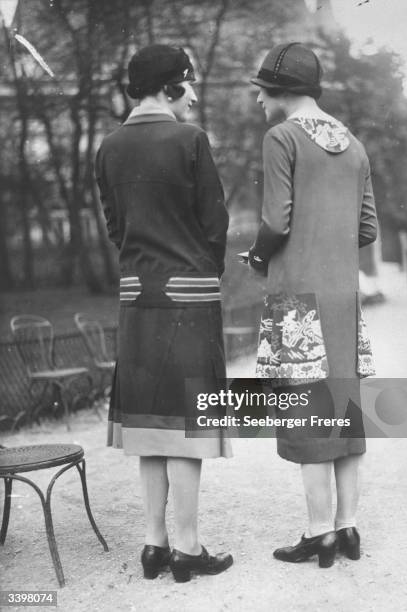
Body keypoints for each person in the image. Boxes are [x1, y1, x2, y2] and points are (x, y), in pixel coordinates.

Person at [95, 44, 233, 583]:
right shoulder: (190, 140)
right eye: (188, 83)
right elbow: (214, 222)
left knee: (149, 424)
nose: (194, 93)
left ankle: (154, 545)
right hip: (190, 298)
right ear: (169, 88)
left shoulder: (107, 147)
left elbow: (114, 226)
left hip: (136, 298)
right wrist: (203, 268)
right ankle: (188, 548)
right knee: (188, 425)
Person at [249, 42, 378, 568]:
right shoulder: (356, 145)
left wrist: (258, 256)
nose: (258, 99)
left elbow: (277, 222)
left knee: (305, 415)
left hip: (296, 298)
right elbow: (366, 228)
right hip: (343, 299)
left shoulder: (281, 139)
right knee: (345, 414)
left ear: (279, 90)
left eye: (261, 90)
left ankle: (318, 532)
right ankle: (349, 529)